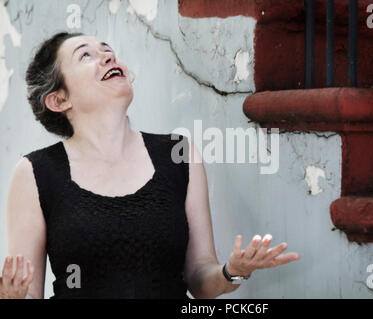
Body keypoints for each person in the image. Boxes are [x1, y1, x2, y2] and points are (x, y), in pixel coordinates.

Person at [0, 32, 300, 299]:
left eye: (108, 49)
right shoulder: (35, 172)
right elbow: (26, 292)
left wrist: (232, 271)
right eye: (86, 55)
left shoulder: (179, 155)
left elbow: (199, 279)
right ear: (59, 100)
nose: (108, 55)